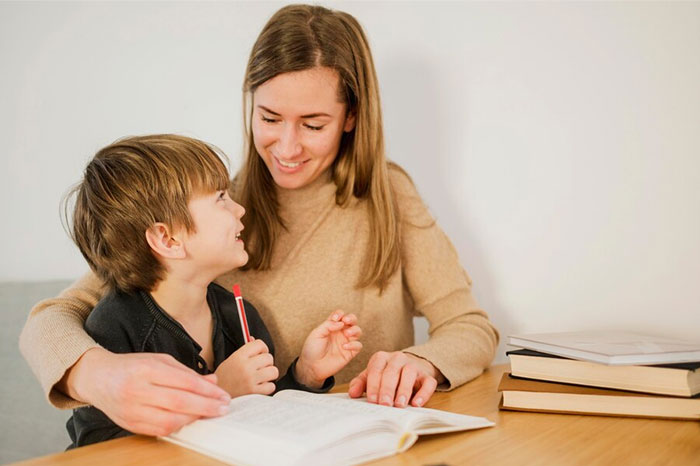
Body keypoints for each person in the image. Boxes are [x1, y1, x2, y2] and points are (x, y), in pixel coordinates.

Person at [20, 4, 499, 437]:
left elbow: (470, 326)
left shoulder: (389, 196)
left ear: (351, 117)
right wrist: (97, 374)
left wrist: (421, 363)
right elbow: (51, 320)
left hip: (358, 442)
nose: (287, 148)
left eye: (313, 125)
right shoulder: (206, 218)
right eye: (269, 118)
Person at [61, 134, 362, 447]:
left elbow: (270, 414)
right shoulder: (113, 327)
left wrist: (305, 374)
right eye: (221, 198)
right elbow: (98, 446)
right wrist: (221, 389)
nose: (240, 209)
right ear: (168, 239)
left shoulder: (240, 314)